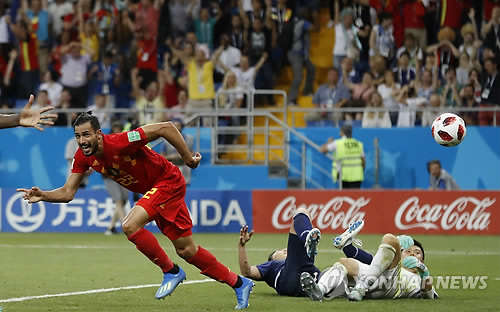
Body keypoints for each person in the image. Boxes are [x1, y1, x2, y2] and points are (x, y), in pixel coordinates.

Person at [17, 113, 254, 309]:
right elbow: (68, 193)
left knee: (129, 225)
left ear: (99, 134)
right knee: (187, 250)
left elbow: (166, 127)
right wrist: (44, 195)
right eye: (78, 136)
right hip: (156, 191)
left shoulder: (121, 140)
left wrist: (188, 159)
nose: (82, 141)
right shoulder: (83, 157)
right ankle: (240, 284)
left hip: (167, 181)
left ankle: (170, 271)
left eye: (86, 134)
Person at [300, 220, 438, 301]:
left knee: (389, 238)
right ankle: (319, 290)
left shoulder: (418, 277)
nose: (412, 254)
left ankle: (360, 286)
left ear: (423, 260)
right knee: (345, 262)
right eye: (407, 251)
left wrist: (423, 270)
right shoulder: (380, 264)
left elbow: (429, 296)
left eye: (417, 253)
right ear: (399, 256)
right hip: (374, 279)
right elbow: (365, 258)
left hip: (392, 283)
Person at [238, 208, 321, 297]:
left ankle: (321, 289)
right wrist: (241, 246)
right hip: (289, 279)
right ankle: (307, 238)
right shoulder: (271, 266)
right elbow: (247, 272)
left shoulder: (300, 261)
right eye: (280, 251)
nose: (285, 250)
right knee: (302, 212)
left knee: (335, 270)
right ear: (272, 259)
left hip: (312, 279)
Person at [320, 123, 365, 189]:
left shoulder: (337, 143)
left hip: (343, 175)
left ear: (342, 132)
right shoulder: (358, 144)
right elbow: (363, 161)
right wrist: (361, 170)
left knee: (345, 197)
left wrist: (328, 142)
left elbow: (322, 149)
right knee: (355, 197)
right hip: (357, 176)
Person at [103, 122, 129, 235]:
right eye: (115, 129)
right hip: (109, 176)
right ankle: (126, 225)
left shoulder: (124, 143)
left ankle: (111, 227)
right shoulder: (106, 142)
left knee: (123, 200)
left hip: (122, 175)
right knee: (118, 200)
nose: (117, 131)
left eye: (119, 129)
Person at [161, 119, 194, 185]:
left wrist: (184, 155)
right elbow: (162, 156)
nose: (176, 128)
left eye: (178, 126)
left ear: (182, 127)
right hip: (171, 164)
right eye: (174, 126)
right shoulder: (166, 140)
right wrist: (171, 156)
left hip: (184, 165)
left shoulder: (189, 139)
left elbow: (193, 153)